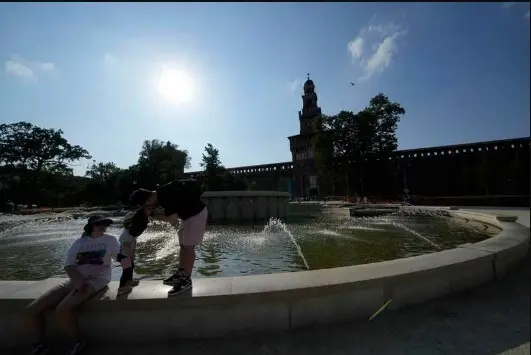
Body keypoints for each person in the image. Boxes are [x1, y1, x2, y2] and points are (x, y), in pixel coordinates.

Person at [24, 215, 119, 355]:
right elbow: (69, 265)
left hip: (96, 279)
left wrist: (128, 250)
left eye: (105, 224)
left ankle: (78, 341)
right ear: (91, 226)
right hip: (74, 279)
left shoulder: (110, 239)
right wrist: (78, 282)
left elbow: (120, 256)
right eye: (100, 224)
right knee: (31, 310)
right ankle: (40, 345)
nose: (103, 226)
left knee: (62, 309)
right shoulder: (79, 242)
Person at [129, 178, 207, 297]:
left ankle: (186, 280)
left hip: (196, 215)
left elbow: (172, 218)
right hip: (186, 216)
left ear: (148, 199)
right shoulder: (162, 193)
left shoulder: (166, 197)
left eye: (144, 204)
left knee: (188, 247)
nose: (146, 206)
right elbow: (174, 218)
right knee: (183, 245)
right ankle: (181, 273)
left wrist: (152, 214)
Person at [117, 207, 151, 296]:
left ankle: (128, 284)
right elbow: (125, 245)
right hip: (124, 256)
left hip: (125, 255)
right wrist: (131, 255)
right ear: (129, 224)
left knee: (130, 269)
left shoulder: (129, 232)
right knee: (127, 271)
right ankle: (123, 287)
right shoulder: (127, 234)